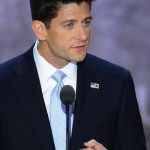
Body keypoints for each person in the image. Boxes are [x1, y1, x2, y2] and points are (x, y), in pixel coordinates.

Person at [0, 0, 147, 150]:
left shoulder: (116, 83)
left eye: (86, 22)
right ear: (40, 30)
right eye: (69, 25)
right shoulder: (3, 84)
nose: (83, 35)